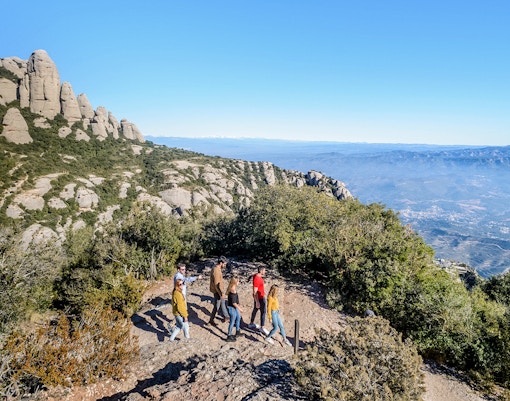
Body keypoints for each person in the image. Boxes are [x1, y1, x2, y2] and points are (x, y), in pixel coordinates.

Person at [248, 266, 269, 335]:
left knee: (255, 310)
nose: (265, 272)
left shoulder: (256, 276)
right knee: (263, 312)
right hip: (259, 298)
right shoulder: (258, 279)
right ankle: (262, 327)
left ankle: (251, 323)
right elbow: (255, 291)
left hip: (259, 297)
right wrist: (257, 301)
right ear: (261, 271)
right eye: (264, 270)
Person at [208, 255, 229, 325]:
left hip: (218, 290)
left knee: (222, 303)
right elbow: (217, 284)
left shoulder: (216, 268)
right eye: (224, 264)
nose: (225, 265)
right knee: (216, 306)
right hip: (217, 291)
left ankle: (226, 316)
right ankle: (211, 320)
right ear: (221, 263)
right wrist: (221, 293)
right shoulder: (216, 271)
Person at [226, 276, 243, 342]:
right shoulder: (232, 291)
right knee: (232, 321)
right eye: (238, 281)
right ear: (235, 283)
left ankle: (237, 331)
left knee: (238, 318)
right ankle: (229, 335)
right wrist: (240, 309)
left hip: (235, 308)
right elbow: (234, 303)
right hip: (232, 308)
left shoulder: (234, 290)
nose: (239, 282)